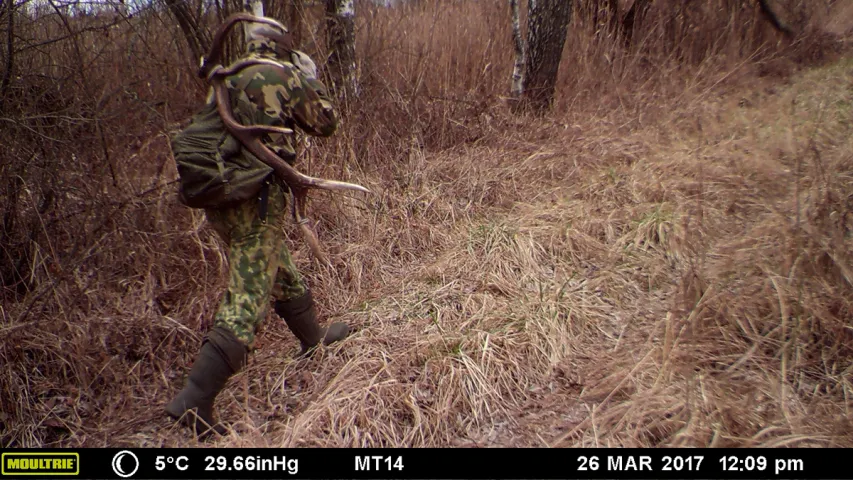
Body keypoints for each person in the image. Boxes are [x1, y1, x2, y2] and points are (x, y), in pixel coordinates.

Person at [165, 17, 350, 439]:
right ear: (283, 43)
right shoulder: (284, 74)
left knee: (275, 266)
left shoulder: (230, 72)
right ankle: (194, 397)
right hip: (257, 195)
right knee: (249, 291)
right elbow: (326, 123)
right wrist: (310, 80)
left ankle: (313, 337)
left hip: (221, 195)